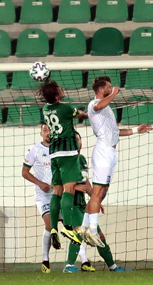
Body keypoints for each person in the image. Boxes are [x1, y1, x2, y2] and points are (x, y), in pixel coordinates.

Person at [82, 76, 152, 247]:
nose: (112, 88)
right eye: (109, 86)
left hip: (111, 152)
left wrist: (136, 130)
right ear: (102, 89)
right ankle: (92, 231)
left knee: (102, 192)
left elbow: (115, 132)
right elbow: (99, 105)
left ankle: (83, 227)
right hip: (103, 152)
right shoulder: (94, 105)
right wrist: (113, 94)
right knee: (97, 192)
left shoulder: (107, 109)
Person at [63, 132, 130, 273]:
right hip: (71, 205)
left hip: (83, 204)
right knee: (78, 234)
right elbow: (55, 185)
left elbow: (86, 181)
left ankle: (113, 267)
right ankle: (69, 266)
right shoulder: (66, 160)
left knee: (99, 236)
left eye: (78, 139)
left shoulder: (81, 159)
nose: (77, 141)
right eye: (74, 139)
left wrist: (96, 199)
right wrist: (76, 187)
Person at [40, 80, 89, 249]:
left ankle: (53, 228)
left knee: (57, 191)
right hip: (68, 152)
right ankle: (68, 227)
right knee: (69, 189)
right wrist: (92, 112)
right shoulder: (66, 108)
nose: (63, 89)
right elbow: (82, 115)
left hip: (54, 153)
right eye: (60, 89)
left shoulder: (46, 109)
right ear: (56, 95)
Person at [22, 125, 58, 272]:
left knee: (72, 224)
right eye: (45, 130)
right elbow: (24, 172)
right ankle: (45, 260)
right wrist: (40, 183)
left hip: (58, 192)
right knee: (49, 224)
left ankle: (81, 261)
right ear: (41, 133)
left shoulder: (59, 149)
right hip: (42, 194)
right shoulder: (34, 150)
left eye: (50, 129)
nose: (48, 132)